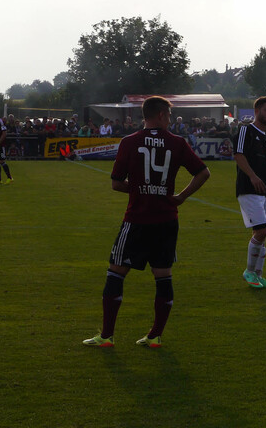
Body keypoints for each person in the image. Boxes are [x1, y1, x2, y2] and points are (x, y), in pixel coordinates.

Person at [82, 97, 210, 348]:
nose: (171, 119)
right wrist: (181, 196)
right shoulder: (178, 143)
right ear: (161, 115)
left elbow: (116, 183)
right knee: (163, 275)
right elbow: (203, 172)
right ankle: (155, 336)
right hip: (166, 220)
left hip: (137, 219)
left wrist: (141, 190)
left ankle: (107, 336)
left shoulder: (130, 142)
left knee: (116, 272)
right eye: (170, 115)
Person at [235, 96, 266, 289]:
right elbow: (238, 154)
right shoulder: (246, 130)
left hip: (265, 191)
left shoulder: (265, 138)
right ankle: (249, 271)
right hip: (249, 189)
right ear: (257, 110)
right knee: (262, 230)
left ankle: (259, 276)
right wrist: (252, 176)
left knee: (263, 234)